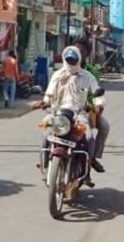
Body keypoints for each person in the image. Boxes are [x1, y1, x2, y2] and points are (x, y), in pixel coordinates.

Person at [32, 46, 110, 176]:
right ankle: (44, 160)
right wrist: (44, 102)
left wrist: (99, 104)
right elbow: (49, 93)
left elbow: (97, 92)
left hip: (79, 115)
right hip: (58, 114)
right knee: (46, 133)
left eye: (73, 60)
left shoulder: (88, 76)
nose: (71, 62)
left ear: (79, 59)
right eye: (68, 60)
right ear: (64, 59)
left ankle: (90, 161)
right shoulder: (57, 75)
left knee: (90, 137)